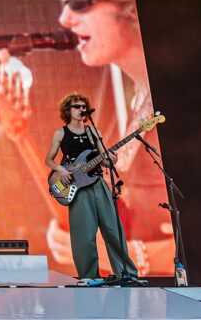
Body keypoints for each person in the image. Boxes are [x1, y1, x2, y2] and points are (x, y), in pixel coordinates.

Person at [0, 0, 173, 275]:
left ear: (130, 3)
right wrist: (20, 136)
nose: (64, 19)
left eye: (80, 4)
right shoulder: (141, 101)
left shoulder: (187, 89)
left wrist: (134, 256)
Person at [44, 93, 137, 280]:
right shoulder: (60, 134)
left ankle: (126, 274)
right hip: (77, 190)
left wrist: (111, 160)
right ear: (68, 110)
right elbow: (49, 160)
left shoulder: (93, 131)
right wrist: (62, 170)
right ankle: (89, 277)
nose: (81, 109)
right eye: (77, 106)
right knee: (84, 237)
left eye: (83, 106)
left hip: (97, 183)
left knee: (113, 229)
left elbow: (104, 160)